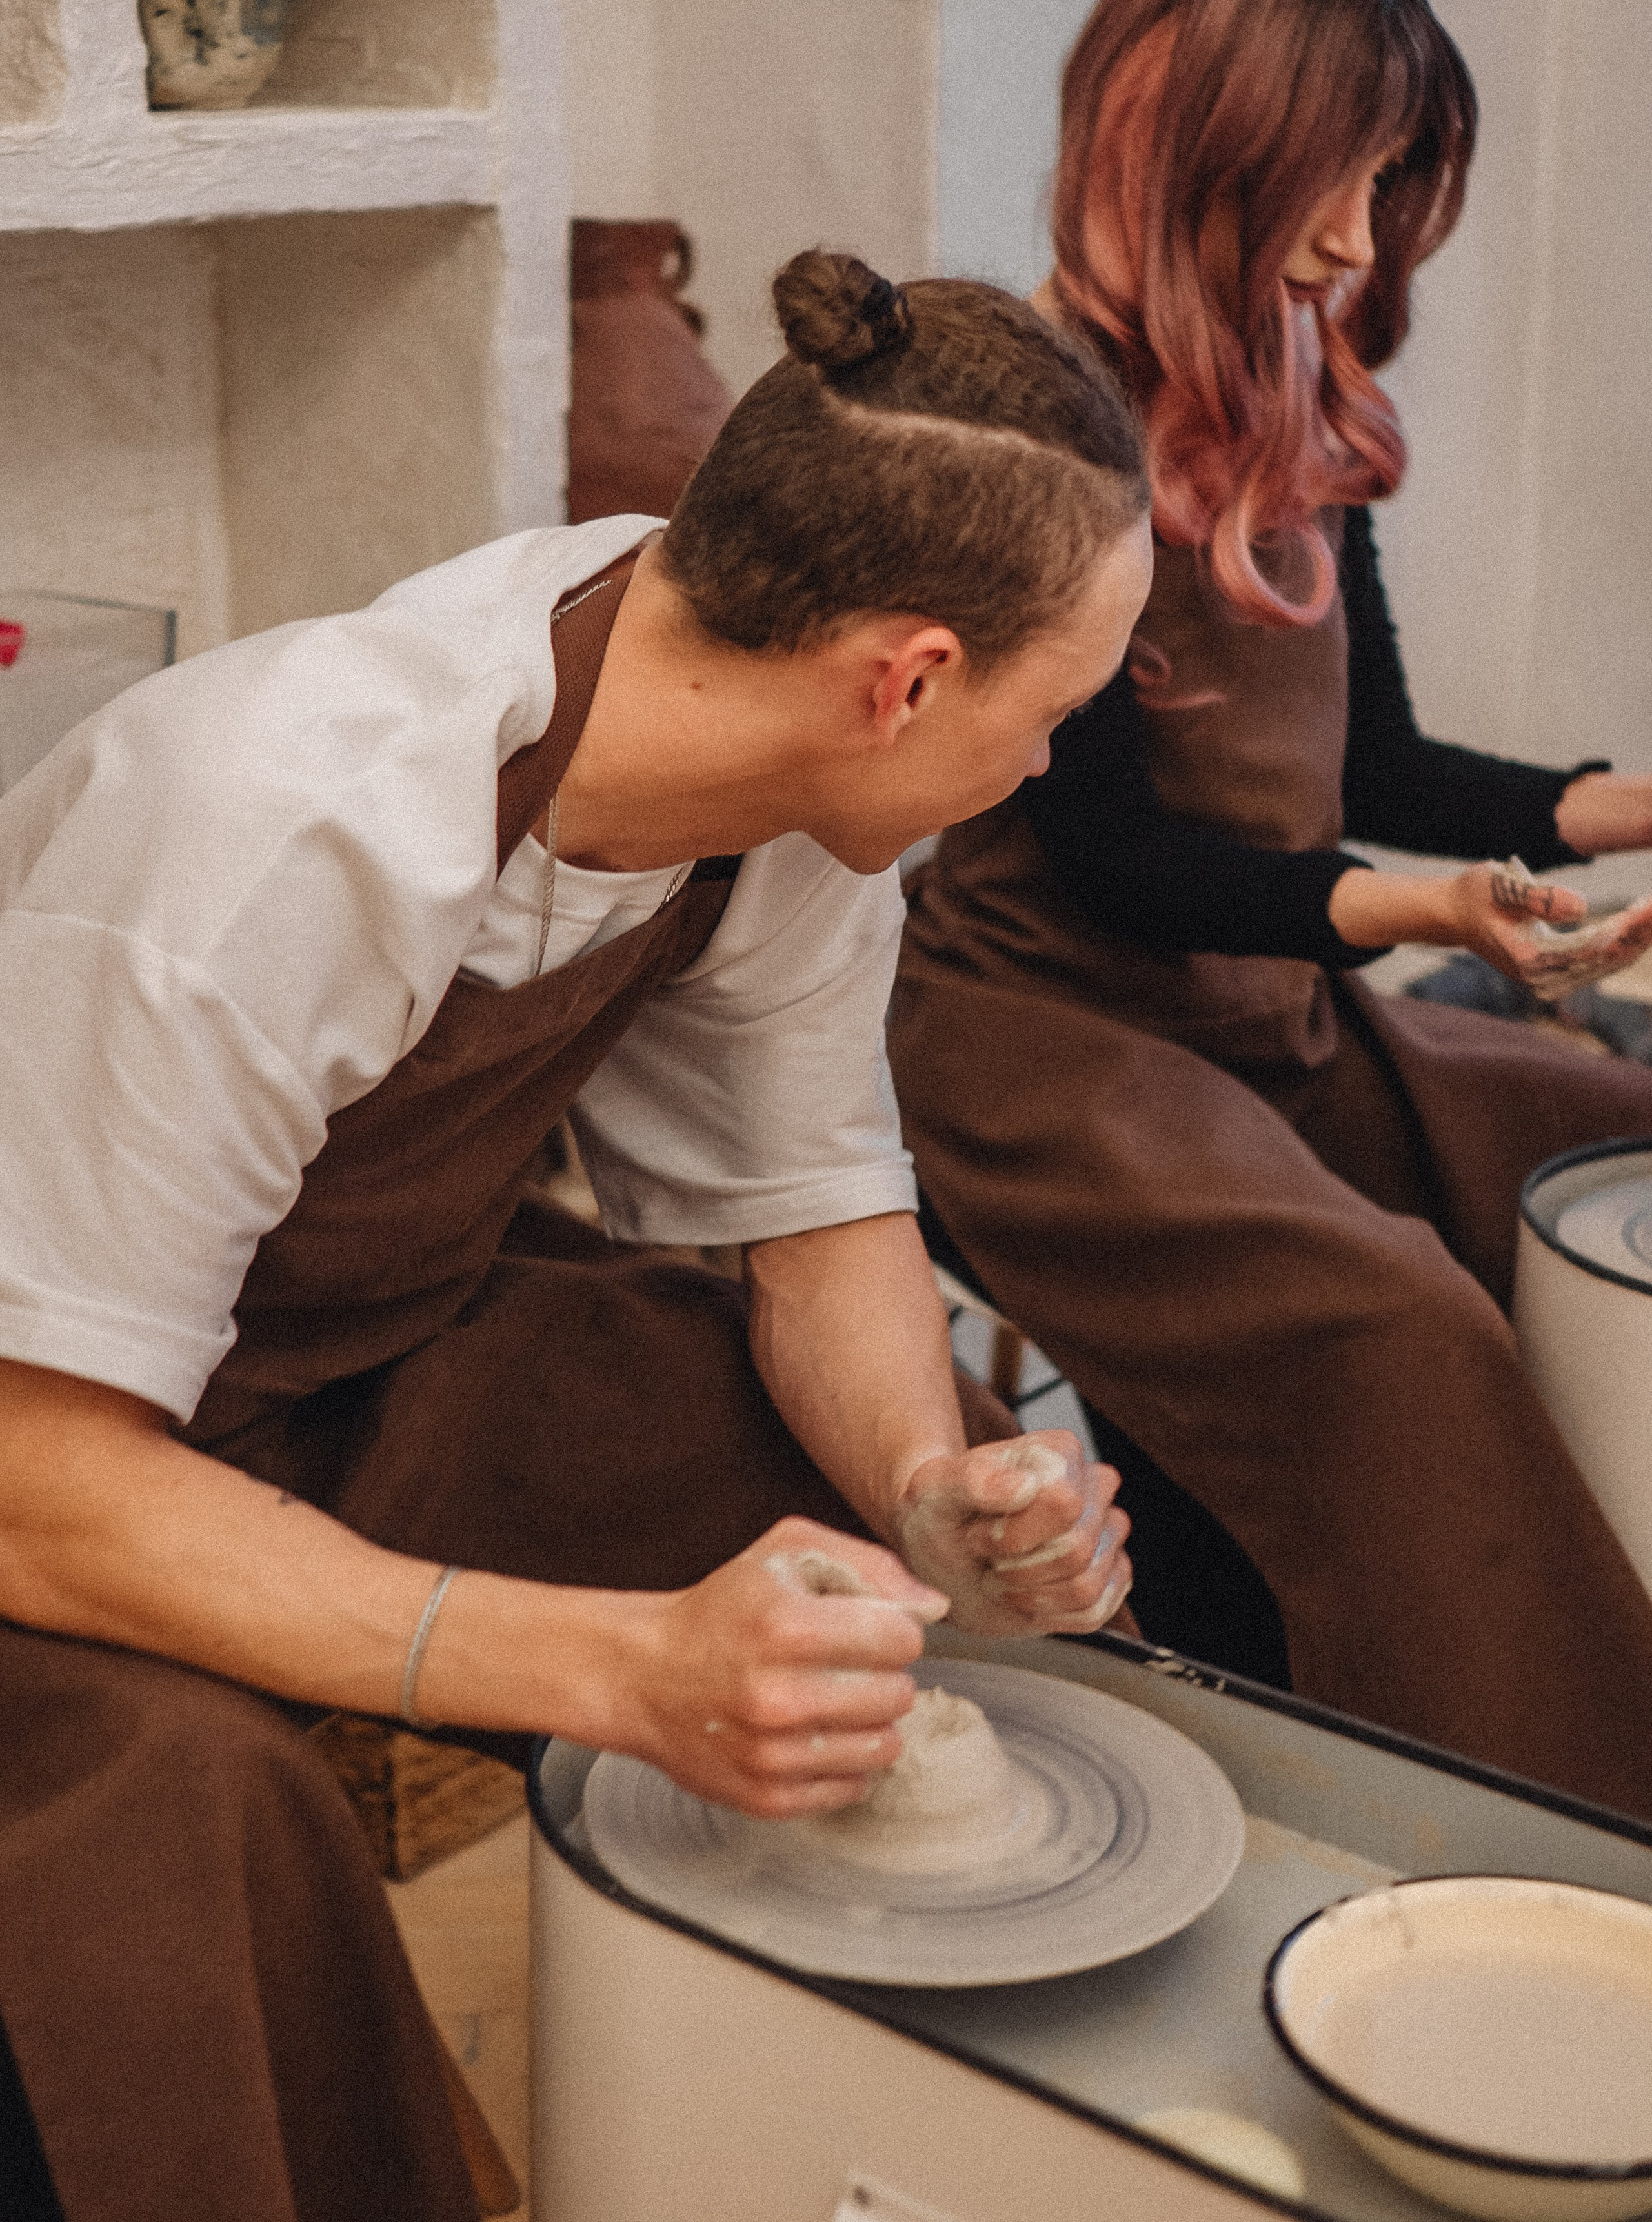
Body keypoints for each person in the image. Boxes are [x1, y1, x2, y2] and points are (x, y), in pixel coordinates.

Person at [0, 250, 1151, 2222]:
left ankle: (928, 2104)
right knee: (193, 1811)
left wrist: (931, 1483)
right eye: (1053, 716)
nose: (1042, 769)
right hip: (62, 1455)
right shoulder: (278, 830)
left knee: (838, 1474)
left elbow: (816, 1219)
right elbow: (43, 1485)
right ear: (913, 681)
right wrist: (622, 1672)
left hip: (349, 1348)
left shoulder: (768, 749)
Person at [887, 0, 1652, 1820]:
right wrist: (1423, 912)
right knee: (1404, 1340)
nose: (1355, 235)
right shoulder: (1030, 432)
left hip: (1274, 1014)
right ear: (1192, 147)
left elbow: (1375, 756)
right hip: (1049, 1050)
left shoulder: (1295, 397)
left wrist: (1617, 803)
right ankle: (1529, 1826)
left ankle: (1462, 1703)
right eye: (1334, 175)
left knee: (1589, 1154)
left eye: (1390, 181)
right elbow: (1121, 864)